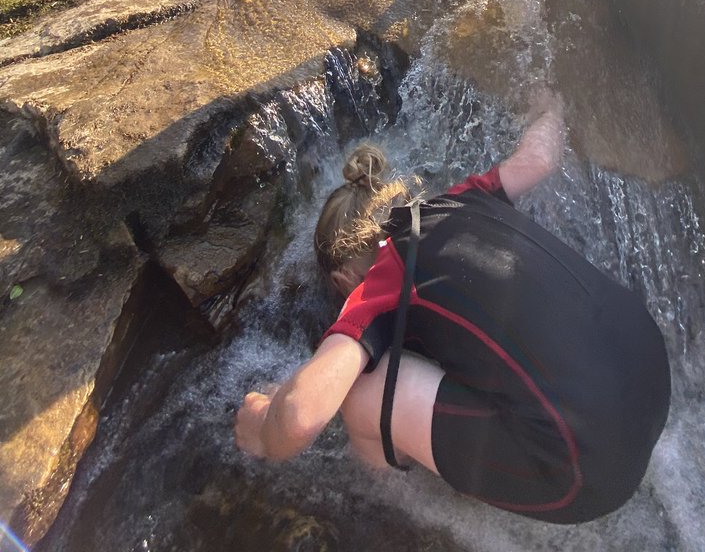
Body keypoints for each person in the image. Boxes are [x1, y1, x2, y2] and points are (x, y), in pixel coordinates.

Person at [235, 91, 671, 524]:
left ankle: (402, 507)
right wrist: (550, 107)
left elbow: (299, 417)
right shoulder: (464, 198)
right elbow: (540, 157)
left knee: (361, 393)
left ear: (342, 279)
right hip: (650, 375)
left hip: (588, 472)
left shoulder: (382, 280)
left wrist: (264, 427)